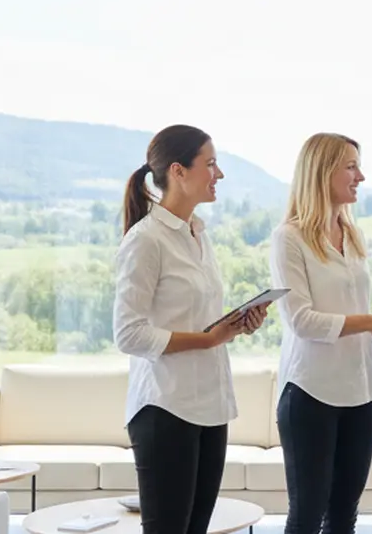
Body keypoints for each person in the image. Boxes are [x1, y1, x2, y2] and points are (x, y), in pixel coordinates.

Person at [113, 124, 269, 534]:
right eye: (211, 164)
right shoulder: (145, 240)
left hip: (210, 406)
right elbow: (128, 333)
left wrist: (237, 325)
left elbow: (199, 318)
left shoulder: (199, 233)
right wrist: (207, 339)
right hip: (165, 409)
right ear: (179, 171)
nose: (219, 174)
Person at [269, 133, 372, 534]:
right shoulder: (288, 239)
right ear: (321, 171)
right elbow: (302, 320)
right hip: (310, 394)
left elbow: (352, 309)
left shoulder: (352, 235)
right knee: (308, 516)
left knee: (345, 515)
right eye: (350, 166)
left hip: (362, 391)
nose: (360, 176)